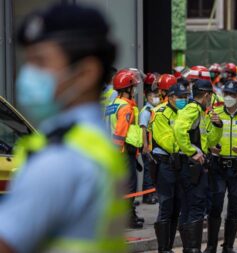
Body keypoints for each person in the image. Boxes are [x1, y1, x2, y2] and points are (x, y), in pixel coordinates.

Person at [0, 4, 127, 253]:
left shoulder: (60, 159)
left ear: (86, 74)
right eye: (28, 61)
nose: (27, 75)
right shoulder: (93, 146)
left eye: (41, 61)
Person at [174, 79, 223, 252]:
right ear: (207, 95)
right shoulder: (192, 110)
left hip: (193, 166)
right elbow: (179, 129)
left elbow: (210, 141)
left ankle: (189, 249)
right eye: (211, 96)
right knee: (195, 207)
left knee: (189, 207)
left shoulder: (200, 113)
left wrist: (217, 125)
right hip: (192, 167)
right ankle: (193, 249)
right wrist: (192, 152)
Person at [204, 81, 237, 253]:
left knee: (234, 207)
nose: (229, 98)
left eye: (232, 95)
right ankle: (211, 246)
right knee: (215, 206)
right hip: (218, 165)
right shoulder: (215, 113)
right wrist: (210, 147)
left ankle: (229, 246)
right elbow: (205, 136)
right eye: (226, 94)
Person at [152, 83, 190, 253]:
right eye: (180, 97)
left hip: (181, 162)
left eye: (185, 96)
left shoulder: (185, 112)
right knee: (166, 205)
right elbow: (167, 141)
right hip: (166, 163)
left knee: (177, 206)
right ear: (171, 97)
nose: (183, 100)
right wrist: (186, 145)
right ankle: (163, 249)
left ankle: (169, 247)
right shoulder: (160, 113)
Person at [107, 69, 144, 229]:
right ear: (127, 89)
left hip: (117, 152)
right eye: (133, 87)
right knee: (130, 187)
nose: (134, 90)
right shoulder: (126, 108)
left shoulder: (113, 105)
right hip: (123, 152)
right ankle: (127, 218)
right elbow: (121, 132)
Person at [140, 73, 160, 205]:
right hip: (148, 147)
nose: (156, 98)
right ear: (147, 96)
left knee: (153, 171)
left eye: (157, 95)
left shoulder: (155, 109)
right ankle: (147, 195)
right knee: (148, 171)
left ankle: (153, 193)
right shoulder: (146, 111)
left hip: (154, 146)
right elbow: (143, 129)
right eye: (153, 95)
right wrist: (145, 146)